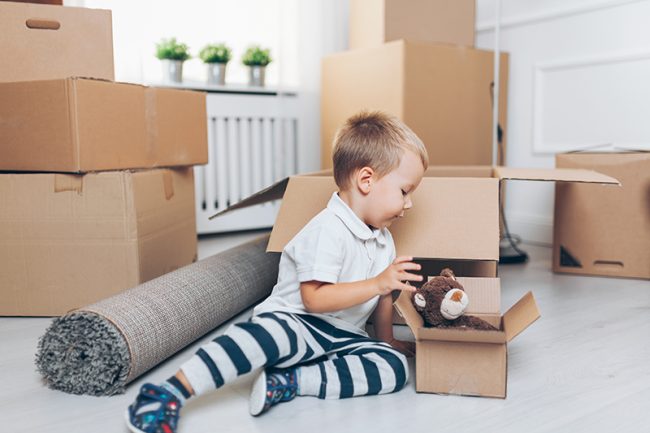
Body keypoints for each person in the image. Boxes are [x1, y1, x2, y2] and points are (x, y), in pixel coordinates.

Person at [126, 111, 429, 433]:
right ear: (366, 180)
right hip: (296, 323)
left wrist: (386, 341)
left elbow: (383, 297)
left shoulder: (384, 241)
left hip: (342, 336)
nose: (408, 204)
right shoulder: (328, 229)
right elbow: (314, 300)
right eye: (404, 191)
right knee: (261, 338)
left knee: (393, 369)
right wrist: (377, 282)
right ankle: (171, 390)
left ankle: (290, 380)